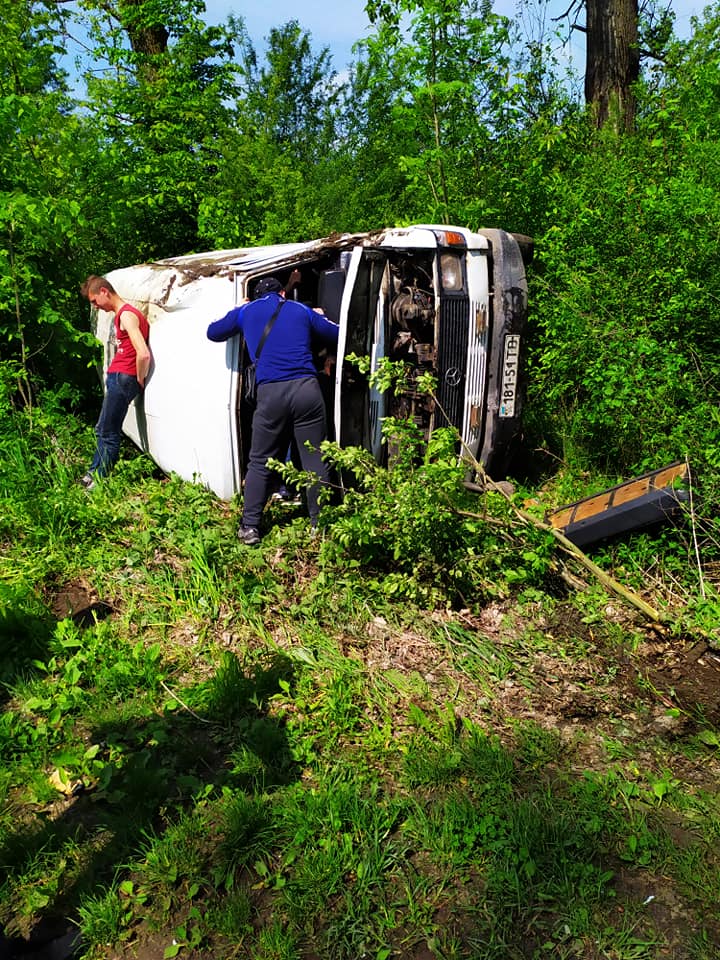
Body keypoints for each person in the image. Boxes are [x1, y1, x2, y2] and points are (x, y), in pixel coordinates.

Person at [207, 275, 339, 545]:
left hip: (271, 394)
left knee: (260, 461)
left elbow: (213, 332)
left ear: (255, 297)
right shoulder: (300, 309)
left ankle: (250, 527)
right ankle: (321, 527)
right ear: (283, 293)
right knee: (315, 460)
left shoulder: (247, 311)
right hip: (306, 390)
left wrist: (237, 309)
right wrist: (321, 316)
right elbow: (337, 333)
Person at [79, 275, 152, 488]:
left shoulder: (127, 315)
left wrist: (138, 378)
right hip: (119, 376)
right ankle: (92, 473)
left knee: (109, 431)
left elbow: (143, 353)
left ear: (104, 292)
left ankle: (98, 481)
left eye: (94, 301)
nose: (95, 306)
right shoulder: (121, 315)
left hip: (123, 377)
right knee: (102, 427)